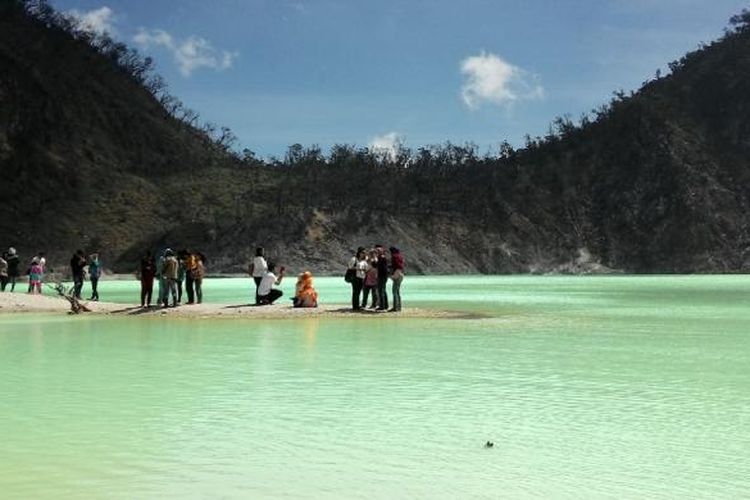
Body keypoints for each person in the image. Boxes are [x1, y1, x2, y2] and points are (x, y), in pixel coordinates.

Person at [389, 247, 405, 312]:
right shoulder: (400, 257)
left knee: (394, 291)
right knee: (397, 291)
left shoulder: (394, 257)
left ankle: (395, 307)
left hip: (397, 273)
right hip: (401, 273)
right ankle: (399, 307)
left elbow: (395, 266)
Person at [375, 245, 389, 311]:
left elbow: (380, 267)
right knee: (383, 290)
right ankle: (385, 305)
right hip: (383, 276)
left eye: (378, 251)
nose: (377, 252)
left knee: (381, 290)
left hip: (382, 276)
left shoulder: (381, 258)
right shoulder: (381, 258)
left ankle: (382, 306)